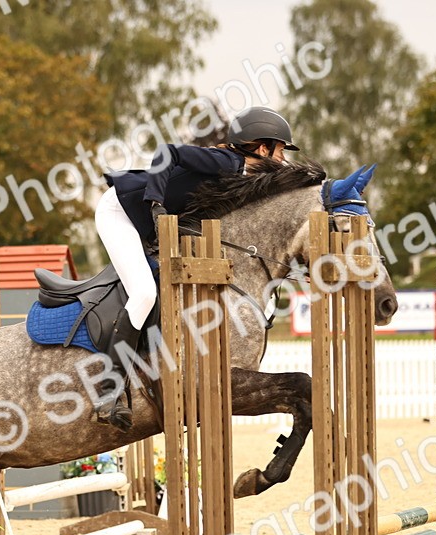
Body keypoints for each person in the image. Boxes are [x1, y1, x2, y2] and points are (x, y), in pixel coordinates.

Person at [93, 106, 300, 429]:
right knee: (144, 293)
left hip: (147, 224)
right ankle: (108, 391)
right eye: (281, 150)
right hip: (119, 213)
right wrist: (155, 203)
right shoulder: (227, 162)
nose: (283, 158)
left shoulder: (246, 178)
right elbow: (167, 153)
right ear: (263, 148)